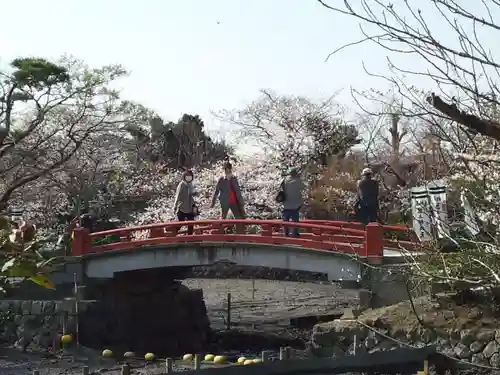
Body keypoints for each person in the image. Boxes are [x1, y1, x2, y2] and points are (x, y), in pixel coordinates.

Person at [210, 162, 245, 232]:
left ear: (230, 169)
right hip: (224, 201)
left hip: (234, 201)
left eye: (228, 169)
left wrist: (241, 201)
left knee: (238, 217)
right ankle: (220, 233)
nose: (227, 171)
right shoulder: (221, 179)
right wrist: (213, 202)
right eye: (226, 169)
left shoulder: (234, 178)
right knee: (223, 217)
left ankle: (239, 234)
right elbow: (216, 191)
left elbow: (238, 191)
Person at [280, 167, 305, 237]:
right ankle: (294, 233)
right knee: (295, 221)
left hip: (286, 204)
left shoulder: (285, 179)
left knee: (285, 220)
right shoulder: (298, 181)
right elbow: (304, 187)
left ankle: (286, 233)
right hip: (295, 205)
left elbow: (281, 186)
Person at [173, 170, 197, 235]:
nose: (189, 177)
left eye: (190, 176)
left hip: (190, 207)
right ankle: (173, 235)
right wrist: (175, 206)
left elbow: (194, 195)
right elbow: (177, 196)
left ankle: (189, 239)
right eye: (187, 176)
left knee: (191, 224)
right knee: (179, 224)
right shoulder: (182, 184)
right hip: (182, 207)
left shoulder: (191, 184)